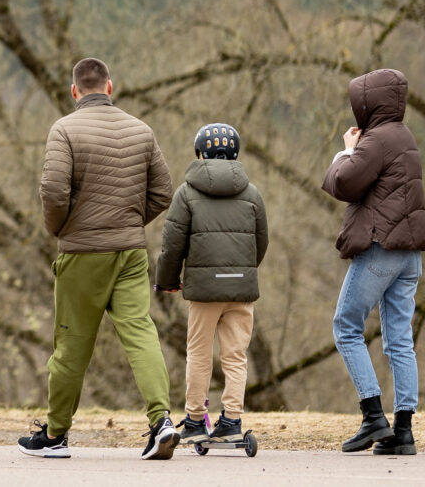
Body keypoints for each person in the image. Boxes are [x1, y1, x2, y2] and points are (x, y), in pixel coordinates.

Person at [18, 57, 179, 460]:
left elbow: (53, 192)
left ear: (75, 91)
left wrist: (62, 230)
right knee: (141, 333)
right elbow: (162, 192)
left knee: (72, 345)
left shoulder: (64, 129)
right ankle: (162, 421)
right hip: (130, 252)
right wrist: (126, 223)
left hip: (82, 254)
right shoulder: (140, 130)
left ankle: (55, 436)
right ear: (110, 87)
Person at [321, 68, 425, 456]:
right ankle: (403, 431)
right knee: (400, 339)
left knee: (346, 326)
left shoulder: (377, 141)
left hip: (381, 249)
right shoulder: (404, 136)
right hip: (410, 254)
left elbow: (344, 183)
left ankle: (372, 416)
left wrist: (346, 150)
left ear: (371, 104)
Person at [154, 123, 268, 446]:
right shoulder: (253, 194)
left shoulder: (187, 193)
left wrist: (167, 280)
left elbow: (172, 243)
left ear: (200, 153)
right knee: (235, 356)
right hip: (241, 290)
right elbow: (261, 242)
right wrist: (242, 271)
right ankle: (231, 419)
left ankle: (193, 419)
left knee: (200, 353)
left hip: (204, 291)